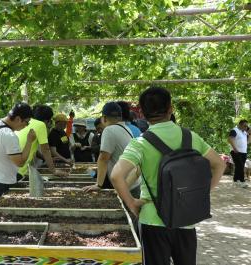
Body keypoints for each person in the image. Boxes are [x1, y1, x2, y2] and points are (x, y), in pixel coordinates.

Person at [110, 87, 225, 265]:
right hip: (186, 218)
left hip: (152, 220)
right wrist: (201, 193)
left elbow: (117, 176)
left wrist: (132, 203)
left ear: (141, 112)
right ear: (171, 109)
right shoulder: (191, 137)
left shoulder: (140, 143)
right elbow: (219, 164)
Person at [0, 102, 36, 207]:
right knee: (1, 213)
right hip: (0, 182)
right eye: (27, 122)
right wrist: (29, 141)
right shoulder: (9, 136)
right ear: (18, 119)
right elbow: (20, 162)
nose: (26, 126)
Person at [83, 102, 140, 194]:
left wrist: (98, 185)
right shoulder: (126, 128)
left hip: (126, 187)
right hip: (133, 182)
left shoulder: (109, 130)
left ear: (104, 118)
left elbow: (103, 158)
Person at [16, 105, 67, 178]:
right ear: (47, 120)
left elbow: (33, 149)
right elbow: (45, 149)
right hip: (20, 168)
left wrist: (45, 158)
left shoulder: (26, 121)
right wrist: (54, 171)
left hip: (11, 166)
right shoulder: (41, 125)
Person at [228, 120, 250, 188]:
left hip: (244, 152)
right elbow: (230, 139)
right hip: (236, 151)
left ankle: (236, 181)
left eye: (247, 126)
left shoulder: (245, 133)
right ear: (240, 125)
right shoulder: (234, 130)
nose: (246, 127)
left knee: (239, 166)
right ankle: (242, 181)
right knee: (240, 166)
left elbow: (248, 142)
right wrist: (235, 148)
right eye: (245, 126)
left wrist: (250, 134)